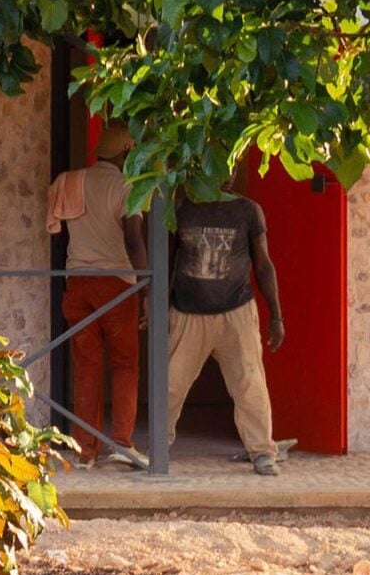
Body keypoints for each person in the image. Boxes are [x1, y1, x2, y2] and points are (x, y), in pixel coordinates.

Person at [170, 164, 288, 475]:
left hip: (236, 311)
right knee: (170, 384)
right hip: (186, 312)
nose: (227, 175)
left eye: (231, 168)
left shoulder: (248, 211)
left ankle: (262, 451)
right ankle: (158, 448)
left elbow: (264, 266)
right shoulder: (180, 207)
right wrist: (155, 306)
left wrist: (276, 315)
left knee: (249, 383)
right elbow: (167, 261)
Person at [48, 128, 148, 469]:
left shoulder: (72, 181)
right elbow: (134, 240)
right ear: (124, 154)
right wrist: (146, 286)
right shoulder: (126, 187)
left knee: (86, 367)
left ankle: (84, 451)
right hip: (117, 284)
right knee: (124, 364)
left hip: (77, 282)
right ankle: (121, 442)